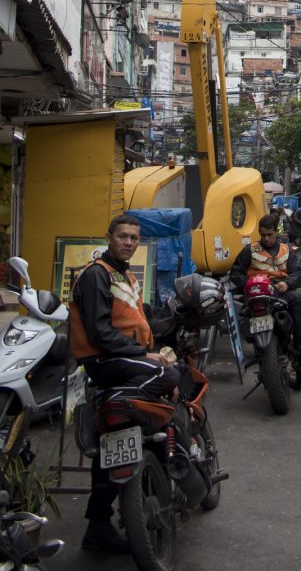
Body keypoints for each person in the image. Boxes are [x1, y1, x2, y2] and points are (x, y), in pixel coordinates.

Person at [69, 214, 180, 554]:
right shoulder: (96, 276)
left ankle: (98, 527)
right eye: (123, 236)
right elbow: (101, 332)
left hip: (121, 361)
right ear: (109, 238)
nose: (129, 242)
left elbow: (135, 318)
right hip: (106, 362)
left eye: (134, 238)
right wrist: (144, 356)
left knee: (112, 445)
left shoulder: (125, 276)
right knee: (169, 377)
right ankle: (130, 411)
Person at [230, 214, 301, 365]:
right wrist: (251, 284)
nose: (266, 239)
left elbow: (298, 273)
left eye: (269, 235)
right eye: (263, 235)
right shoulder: (250, 250)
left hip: (281, 292)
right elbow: (235, 273)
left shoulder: (286, 250)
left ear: (276, 232)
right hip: (258, 295)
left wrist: (287, 283)